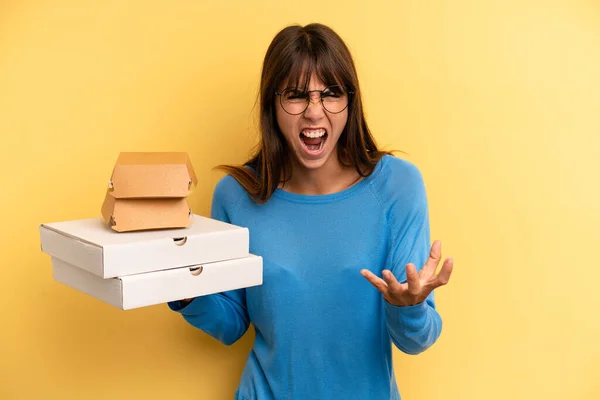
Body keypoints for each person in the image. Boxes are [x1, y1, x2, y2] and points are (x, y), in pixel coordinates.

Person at [168, 23, 454, 400]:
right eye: (296, 95)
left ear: (350, 102)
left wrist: (411, 307)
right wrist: (185, 289)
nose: (314, 112)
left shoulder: (397, 187)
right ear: (273, 102)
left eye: (332, 93)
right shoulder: (237, 196)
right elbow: (231, 322)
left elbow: (415, 341)